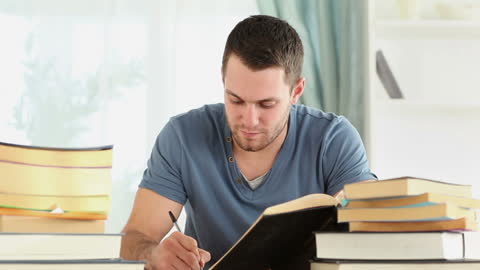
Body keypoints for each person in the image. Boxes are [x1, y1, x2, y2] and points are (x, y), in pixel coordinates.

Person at [120, 15, 376, 270]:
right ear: (223, 82)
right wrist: (154, 254)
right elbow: (133, 240)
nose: (250, 120)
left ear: (296, 92)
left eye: (266, 104)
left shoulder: (334, 139)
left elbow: (370, 235)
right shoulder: (182, 137)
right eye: (236, 100)